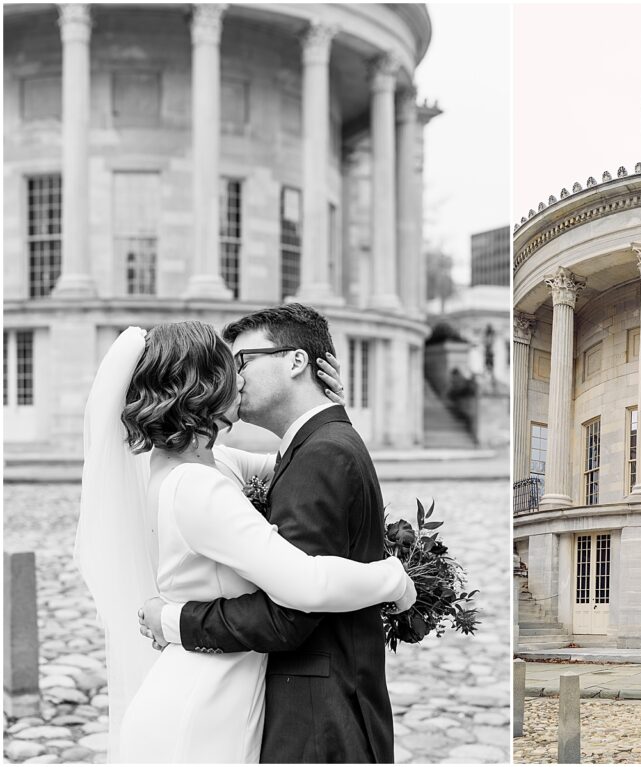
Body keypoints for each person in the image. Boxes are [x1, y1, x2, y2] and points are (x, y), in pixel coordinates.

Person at [75, 322, 416, 763]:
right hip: (205, 705)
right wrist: (393, 580)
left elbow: (306, 462)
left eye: (244, 364)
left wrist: (326, 408)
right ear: (204, 383)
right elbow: (306, 584)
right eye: (230, 366)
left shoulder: (197, 464)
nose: (241, 378)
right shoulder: (199, 488)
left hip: (208, 686)